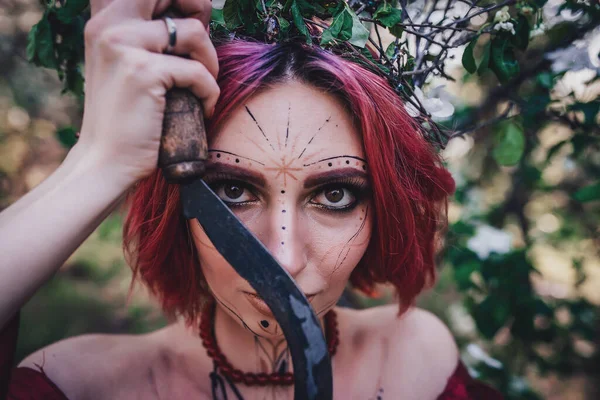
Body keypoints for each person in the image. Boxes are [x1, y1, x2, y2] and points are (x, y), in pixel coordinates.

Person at [0, 0, 504, 398]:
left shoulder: (416, 356)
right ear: (179, 207)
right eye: (233, 191)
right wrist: (99, 160)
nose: (282, 258)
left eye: (334, 194)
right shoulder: (79, 384)